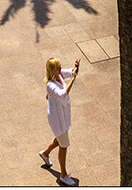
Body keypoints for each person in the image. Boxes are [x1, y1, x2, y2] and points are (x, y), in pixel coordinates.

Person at [40, 56, 80, 186]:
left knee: (60, 139)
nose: (61, 69)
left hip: (62, 115)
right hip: (58, 119)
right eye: (58, 68)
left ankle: (45, 153)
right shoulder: (50, 85)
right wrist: (73, 78)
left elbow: (69, 71)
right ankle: (63, 175)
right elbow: (63, 94)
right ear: (53, 71)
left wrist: (75, 68)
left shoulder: (59, 75)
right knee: (64, 145)